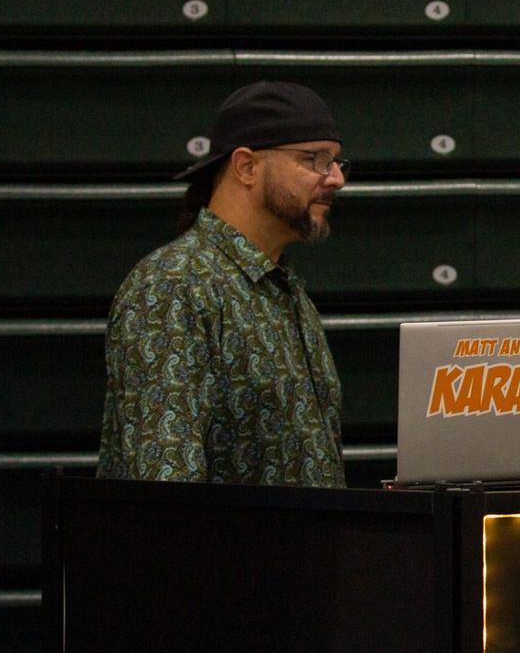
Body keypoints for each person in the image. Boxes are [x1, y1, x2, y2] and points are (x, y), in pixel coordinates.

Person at [99, 81, 349, 486]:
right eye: (316, 159)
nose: (336, 178)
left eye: (337, 161)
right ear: (246, 166)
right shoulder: (173, 286)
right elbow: (167, 487)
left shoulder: (282, 288)